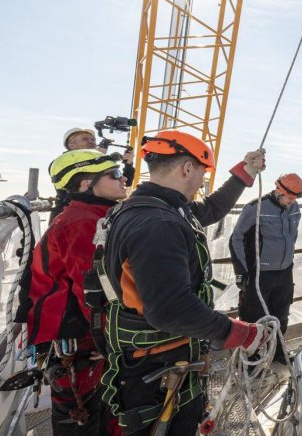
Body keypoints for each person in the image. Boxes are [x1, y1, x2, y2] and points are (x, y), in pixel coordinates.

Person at [95, 130, 269, 435]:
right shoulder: (159, 225)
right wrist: (240, 333)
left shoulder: (149, 208)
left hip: (155, 365)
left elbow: (211, 210)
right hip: (157, 369)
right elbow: (170, 310)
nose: (202, 181)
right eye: (201, 173)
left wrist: (245, 173)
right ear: (187, 168)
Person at [28, 150, 126, 435]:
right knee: (83, 419)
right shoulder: (81, 222)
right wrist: (122, 342)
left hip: (90, 341)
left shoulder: (99, 215)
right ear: (85, 183)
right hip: (83, 343)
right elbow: (93, 291)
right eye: (115, 175)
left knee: (105, 414)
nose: (124, 180)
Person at [230, 172, 302, 353]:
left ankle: (277, 352)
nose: (292, 202)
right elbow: (236, 239)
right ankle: (251, 360)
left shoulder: (294, 208)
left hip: (285, 272)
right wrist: (242, 272)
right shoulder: (255, 208)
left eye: (295, 199)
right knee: (253, 318)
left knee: (281, 315)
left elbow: (291, 236)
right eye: (289, 198)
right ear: (279, 191)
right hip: (260, 275)